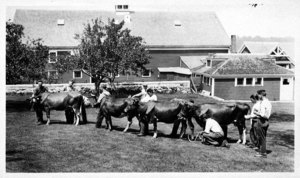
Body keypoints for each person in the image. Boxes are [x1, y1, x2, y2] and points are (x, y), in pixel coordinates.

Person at [253, 90, 272, 158]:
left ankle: (263, 153)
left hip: (262, 120)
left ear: (261, 95)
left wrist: (257, 113)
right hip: (266, 120)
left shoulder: (264, 103)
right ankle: (262, 151)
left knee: (261, 137)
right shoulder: (268, 102)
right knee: (263, 137)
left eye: (258, 95)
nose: (257, 96)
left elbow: (264, 114)